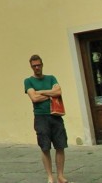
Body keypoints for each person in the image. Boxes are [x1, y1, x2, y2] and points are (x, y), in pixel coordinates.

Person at [24, 54, 68, 183]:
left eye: (38, 65)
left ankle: (60, 175)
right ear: (31, 67)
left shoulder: (51, 77)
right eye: (34, 66)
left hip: (55, 114)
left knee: (60, 146)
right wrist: (50, 93)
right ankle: (50, 177)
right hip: (40, 117)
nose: (37, 67)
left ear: (42, 64)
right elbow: (34, 98)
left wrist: (40, 91)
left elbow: (58, 92)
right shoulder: (28, 81)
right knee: (45, 147)